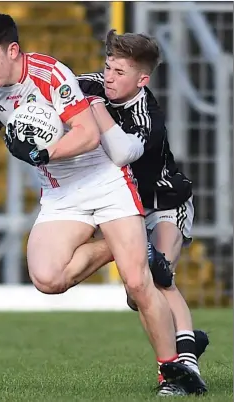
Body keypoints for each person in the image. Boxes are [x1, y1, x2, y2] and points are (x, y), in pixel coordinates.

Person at [0, 11, 200, 395]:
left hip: (105, 182)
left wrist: (43, 154)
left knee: (138, 282)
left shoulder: (51, 74)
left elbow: (88, 135)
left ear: (13, 50)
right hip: (61, 194)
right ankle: (119, 246)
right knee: (47, 279)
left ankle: (170, 371)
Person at [77, 30, 209, 394]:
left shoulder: (147, 117)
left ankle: (184, 372)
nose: (108, 77)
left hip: (165, 204)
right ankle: (187, 341)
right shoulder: (91, 84)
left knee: (159, 277)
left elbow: (121, 153)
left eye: (119, 72)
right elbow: (55, 88)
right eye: (107, 67)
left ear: (142, 79)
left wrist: (96, 107)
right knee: (138, 295)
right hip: (126, 209)